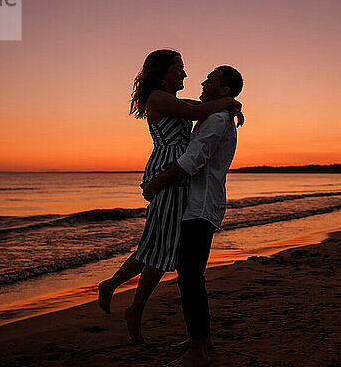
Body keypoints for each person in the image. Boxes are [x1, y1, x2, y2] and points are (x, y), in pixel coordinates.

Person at [97, 50, 243, 344]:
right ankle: (125, 298)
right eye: (179, 68)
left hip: (178, 178)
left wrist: (228, 101)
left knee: (161, 244)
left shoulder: (173, 101)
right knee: (160, 244)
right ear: (162, 71)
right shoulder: (157, 97)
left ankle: (123, 296)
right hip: (169, 173)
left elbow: (199, 107)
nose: (185, 74)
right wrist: (229, 101)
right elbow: (196, 113)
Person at [141, 65, 243, 366]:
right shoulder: (214, 113)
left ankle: (199, 350)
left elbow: (190, 162)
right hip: (199, 204)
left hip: (199, 206)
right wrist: (232, 103)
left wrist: (154, 185)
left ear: (223, 89)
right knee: (191, 275)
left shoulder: (215, 120)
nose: (202, 81)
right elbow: (193, 109)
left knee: (190, 277)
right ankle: (201, 340)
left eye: (210, 79)